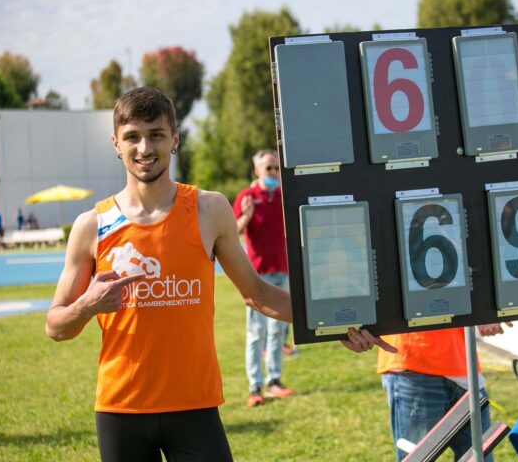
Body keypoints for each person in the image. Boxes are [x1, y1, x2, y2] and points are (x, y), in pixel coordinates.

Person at [44, 87, 390, 462]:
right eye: (132, 137)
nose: (145, 148)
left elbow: (258, 294)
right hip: (121, 409)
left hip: (194, 406)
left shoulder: (208, 209)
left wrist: (336, 324)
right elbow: (56, 326)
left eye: (156, 134)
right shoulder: (92, 225)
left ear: (175, 139)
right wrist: (88, 305)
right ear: (116, 143)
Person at [378, 324, 510, 461]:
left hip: (464, 365)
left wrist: (484, 315)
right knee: (418, 458)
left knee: (480, 458)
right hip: (413, 362)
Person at [233, 149, 293, 407]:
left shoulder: (284, 195)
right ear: (257, 170)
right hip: (257, 276)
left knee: (277, 331)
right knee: (256, 333)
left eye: (277, 168)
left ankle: (274, 382)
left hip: (283, 271)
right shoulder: (247, 197)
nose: (274, 173)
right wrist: (246, 216)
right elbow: (232, 232)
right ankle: (255, 387)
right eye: (269, 168)